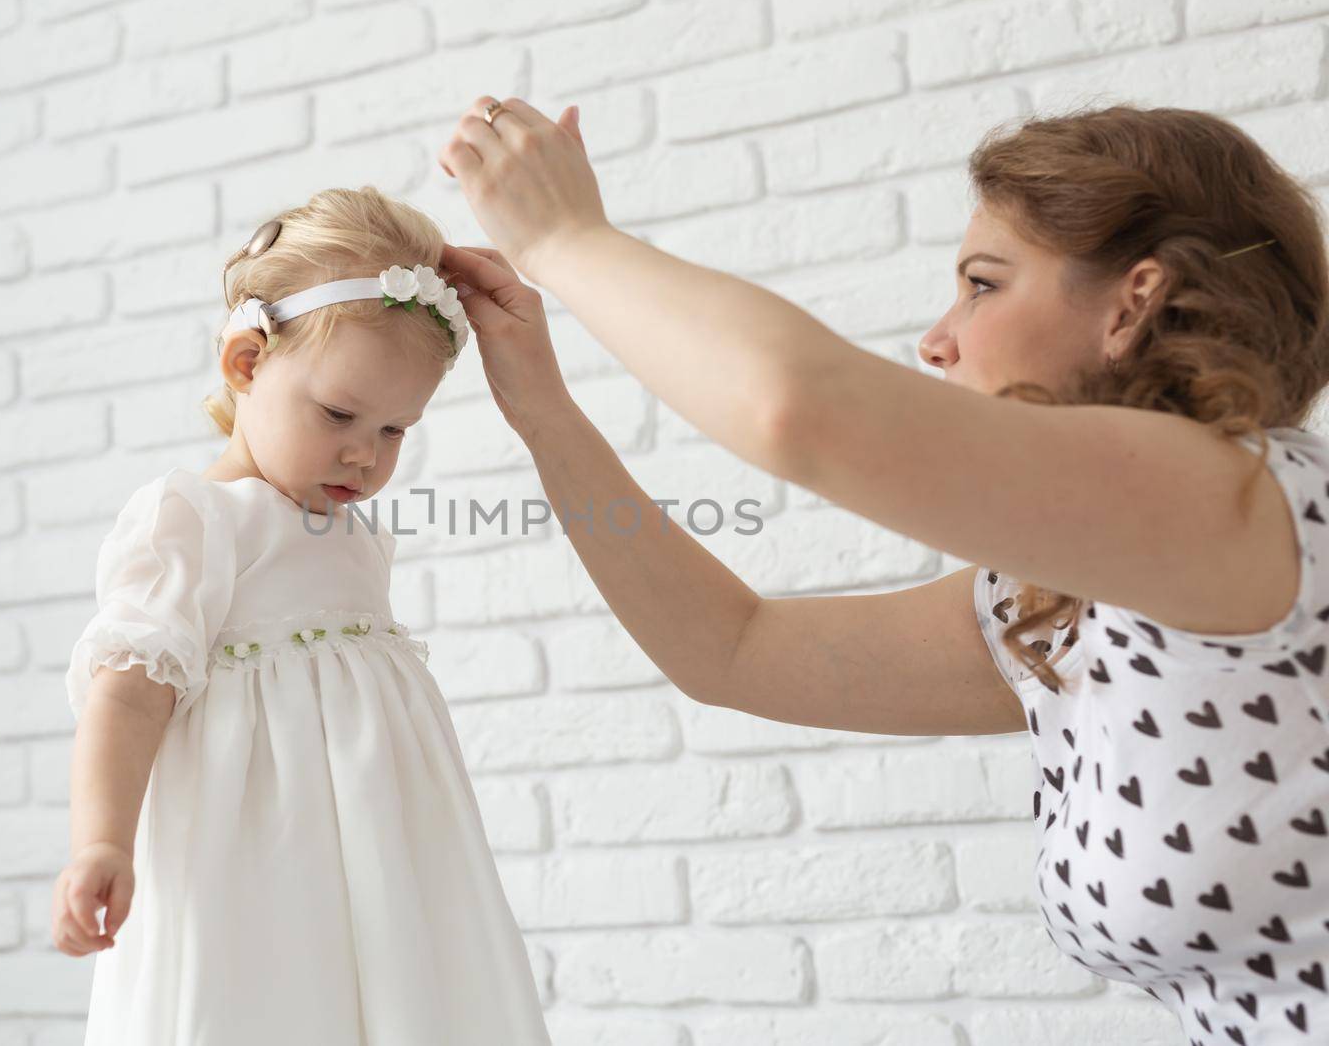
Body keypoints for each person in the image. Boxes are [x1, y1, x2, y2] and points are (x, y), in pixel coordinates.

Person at [435, 98, 1329, 1041]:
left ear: (1133, 302)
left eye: (983, 284)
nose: (939, 338)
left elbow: (798, 408)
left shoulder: (1237, 502)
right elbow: (731, 651)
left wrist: (567, 238)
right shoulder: (1071, 600)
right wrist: (543, 410)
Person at [51, 186, 551, 1045]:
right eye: (339, 414)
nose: (366, 451)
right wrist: (103, 839)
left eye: (397, 428)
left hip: (385, 852)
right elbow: (128, 692)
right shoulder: (195, 519)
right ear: (246, 364)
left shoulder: (348, 534)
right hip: (258, 859)